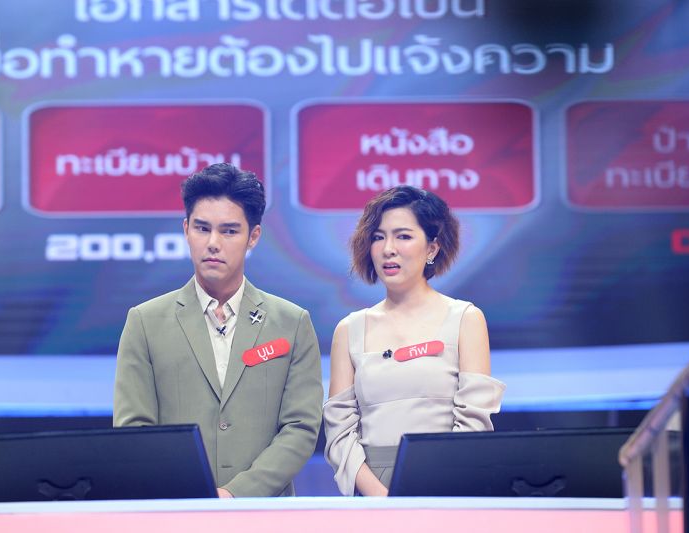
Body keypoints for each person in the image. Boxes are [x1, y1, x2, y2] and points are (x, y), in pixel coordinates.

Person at [114, 163, 323, 498]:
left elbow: (300, 428)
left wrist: (236, 494)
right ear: (186, 230)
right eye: (202, 228)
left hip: (266, 513)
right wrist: (192, 496)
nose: (213, 243)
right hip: (175, 509)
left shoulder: (292, 322)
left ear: (253, 236)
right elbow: (133, 430)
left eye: (229, 231)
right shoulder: (145, 321)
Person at [323, 186, 506, 496]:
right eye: (378, 237)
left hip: (448, 483)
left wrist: (432, 494)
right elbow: (339, 432)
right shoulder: (349, 329)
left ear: (432, 248)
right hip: (372, 490)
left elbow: (474, 423)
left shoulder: (465, 319)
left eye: (403, 236)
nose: (388, 249)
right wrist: (381, 498)